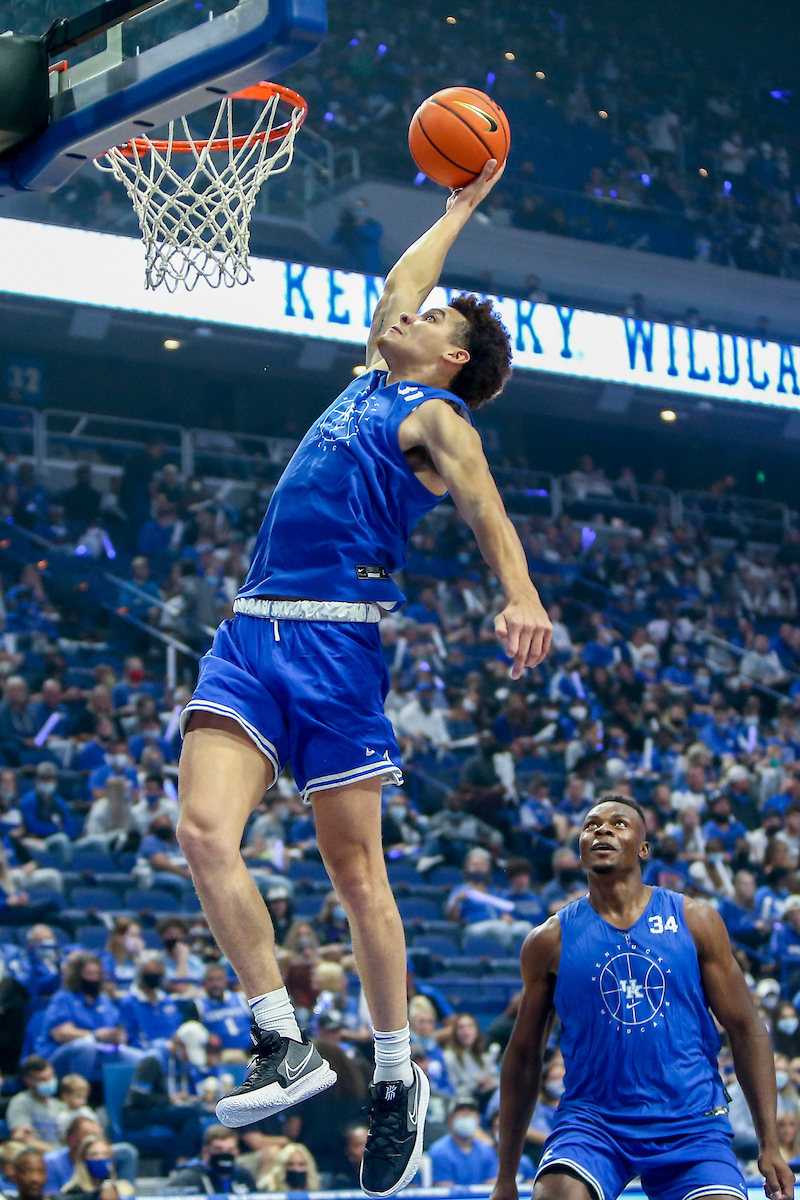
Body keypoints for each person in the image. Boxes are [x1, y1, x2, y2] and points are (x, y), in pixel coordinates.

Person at [176, 157, 552, 1197]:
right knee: (203, 833)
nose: (406, 313)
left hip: (338, 651)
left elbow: (482, 507)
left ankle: (393, 1072)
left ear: (455, 356)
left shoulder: (434, 422)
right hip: (250, 639)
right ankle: (279, 1041)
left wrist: (518, 592)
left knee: (357, 880)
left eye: (433, 319)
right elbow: (395, 291)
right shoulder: (368, 379)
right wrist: (455, 212)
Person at [489, 793, 795, 1200]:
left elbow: (746, 1030)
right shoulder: (549, 941)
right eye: (591, 825)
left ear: (644, 848)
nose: (602, 830)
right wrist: (505, 1177)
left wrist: (769, 1143)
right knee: (556, 1195)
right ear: (580, 848)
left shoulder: (696, 920)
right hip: (593, 1124)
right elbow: (524, 1055)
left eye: (619, 824)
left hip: (691, 1123)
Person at [165, 1124, 255, 1195]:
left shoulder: (243, 1175)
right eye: (219, 1149)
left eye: (230, 1150)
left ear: (237, 1152)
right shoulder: (189, 1178)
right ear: (205, 1152)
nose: (225, 1154)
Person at [429, 1097, 499, 1185]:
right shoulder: (439, 1151)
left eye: (471, 1112)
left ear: (479, 1120)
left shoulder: (487, 1150)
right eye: (461, 1112)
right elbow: (445, 1191)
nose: (467, 1114)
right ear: (450, 1119)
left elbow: (491, 1186)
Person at [6, 1055, 64, 1149]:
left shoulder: (60, 1105)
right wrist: (54, 1153)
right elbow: (22, 1139)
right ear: (28, 1082)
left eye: (50, 1077)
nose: (49, 1082)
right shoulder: (21, 1102)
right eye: (42, 1080)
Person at [62, 1134, 133, 1199]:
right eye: (94, 1155)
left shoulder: (124, 1190)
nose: (100, 1158)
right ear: (83, 1160)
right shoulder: (73, 1192)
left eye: (105, 1154)